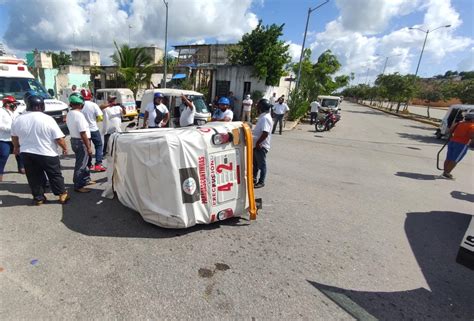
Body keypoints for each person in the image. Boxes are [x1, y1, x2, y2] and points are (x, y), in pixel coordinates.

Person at [11, 93, 69, 205]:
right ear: (41, 106)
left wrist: (16, 147)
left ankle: (39, 198)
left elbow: (14, 136)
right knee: (54, 174)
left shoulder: (18, 119)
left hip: (27, 153)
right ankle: (62, 194)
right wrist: (65, 148)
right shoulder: (47, 119)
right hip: (47, 152)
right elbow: (59, 138)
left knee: (33, 176)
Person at [67, 94, 95, 193]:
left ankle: (85, 179)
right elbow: (82, 132)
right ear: (81, 104)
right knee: (81, 164)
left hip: (75, 140)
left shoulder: (70, 113)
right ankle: (78, 185)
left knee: (85, 162)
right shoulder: (79, 115)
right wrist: (88, 147)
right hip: (81, 141)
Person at [442, 112, 474, 179]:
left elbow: (450, 130)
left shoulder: (459, 123)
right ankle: (447, 173)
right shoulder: (472, 126)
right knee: (455, 159)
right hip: (462, 144)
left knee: (449, 157)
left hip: (452, 141)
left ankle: (445, 171)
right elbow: (471, 136)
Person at [0, 96, 24, 181]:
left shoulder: (15, 112)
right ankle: (0, 173)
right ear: (7, 104)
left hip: (16, 137)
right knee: (4, 155)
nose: (15, 105)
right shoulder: (1, 112)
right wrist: (11, 129)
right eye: (13, 104)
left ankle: (21, 167)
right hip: (4, 138)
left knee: (20, 153)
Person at [80, 89, 105, 172]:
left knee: (88, 147)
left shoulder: (79, 105)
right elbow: (100, 118)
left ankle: (89, 164)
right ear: (90, 96)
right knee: (98, 145)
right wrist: (94, 120)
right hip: (93, 129)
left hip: (83, 130)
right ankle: (98, 164)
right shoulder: (94, 105)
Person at [253, 98, 273, 189]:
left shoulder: (265, 118)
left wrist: (258, 143)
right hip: (257, 144)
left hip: (261, 145)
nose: (257, 108)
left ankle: (261, 181)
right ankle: (253, 179)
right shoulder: (263, 117)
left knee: (261, 165)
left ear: (261, 108)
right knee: (255, 164)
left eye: (258, 107)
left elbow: (265, 133)